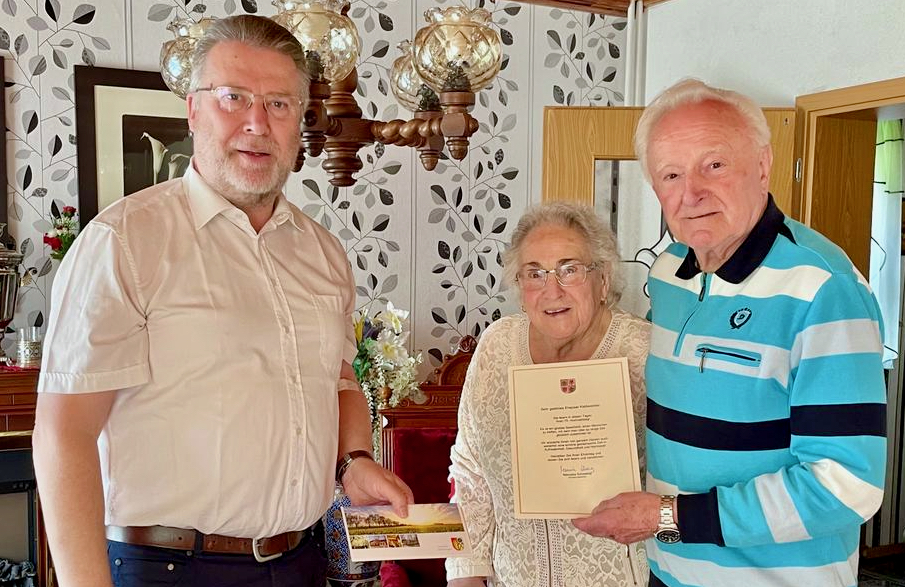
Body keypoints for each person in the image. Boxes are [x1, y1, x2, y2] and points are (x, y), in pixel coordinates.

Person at [32, 15, 412, 587]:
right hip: (168, 569)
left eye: (279, 104)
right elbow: (64, 434)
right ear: (193, 109)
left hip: (300, 564)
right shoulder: (124, 243)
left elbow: (338, 380)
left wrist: (353, 460)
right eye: (233, 98)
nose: (257, 123)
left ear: (300, 120)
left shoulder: (323, 253)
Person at [572, 79, 887, 587]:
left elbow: (846, 486)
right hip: (668, 573)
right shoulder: (669, 270)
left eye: (714, 165)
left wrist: (668, 517)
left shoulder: (823, 288)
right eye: (671, 174)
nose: (691, 193)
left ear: (763, 165)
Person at [446, 202, 651, 587]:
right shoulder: (497, 346)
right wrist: (465, 572)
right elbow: (470, 471)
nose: (551, 290)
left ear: (603, 278)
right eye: (535, 273)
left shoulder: (645, 352)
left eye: (569, 269)